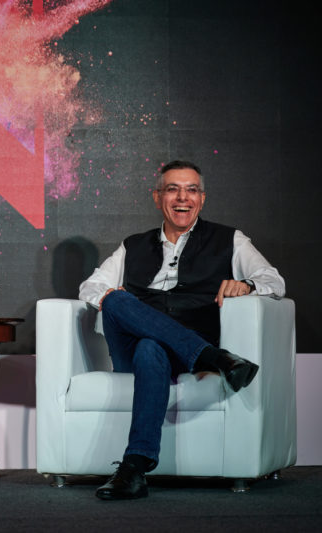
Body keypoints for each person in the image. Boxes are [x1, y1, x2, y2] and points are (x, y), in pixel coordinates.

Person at [78, 160, 285, 500]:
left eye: (191, 190)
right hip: (136, 351)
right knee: (114, 300)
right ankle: (216, 358)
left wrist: (247, 285)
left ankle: (134, 469)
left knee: (150, 347)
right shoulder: (133, 245)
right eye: (172, 189)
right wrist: (117, 300)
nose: (182, 198)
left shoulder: (229, 239)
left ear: (202, 199)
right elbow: (90, 287)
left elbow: (273, 281)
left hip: (177, 350)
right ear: (157, 197)